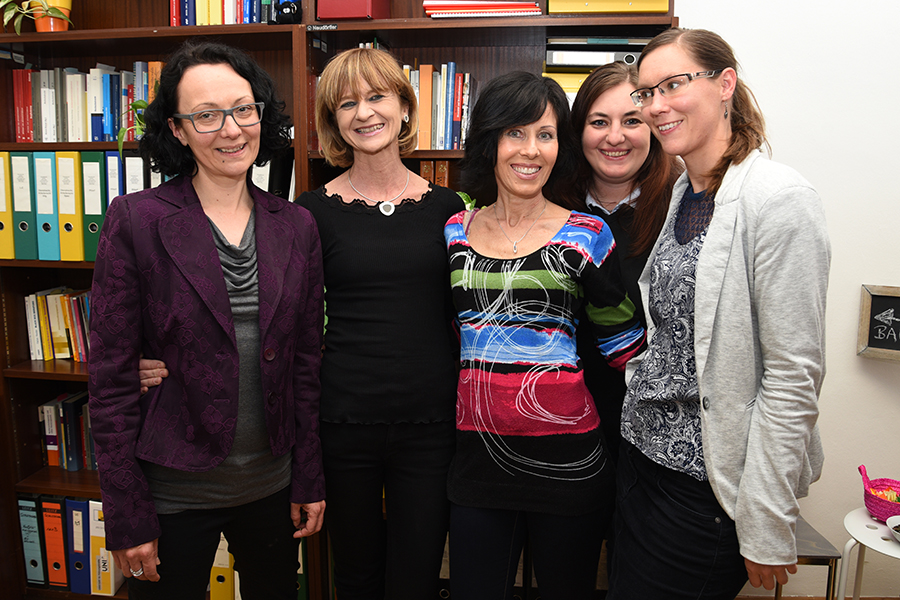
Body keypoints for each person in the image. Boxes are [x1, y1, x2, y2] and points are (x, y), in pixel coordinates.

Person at [137, 47, 462, 600]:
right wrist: (141, 359)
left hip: (432, 424)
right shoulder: (310, 213)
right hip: (341, 423)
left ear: (405, 107)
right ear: (331, 121)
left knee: (416, 577)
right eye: (346, 104)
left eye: (378, 97)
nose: (364, 113)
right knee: (353, 575)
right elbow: (290, 330)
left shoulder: (451, 209)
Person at [88, 39, 325, 600]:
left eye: (244, 109)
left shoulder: (296, 226)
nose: (231, 129)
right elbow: (111, 380)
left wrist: (309, 476)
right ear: (177, 129)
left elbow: (307, 365)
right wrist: (128, 515)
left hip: (272, 484)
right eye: (206, 115)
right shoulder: (138, 220)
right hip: (173, 490)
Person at [606, 28, 831, 600]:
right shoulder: (684, 190)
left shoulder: (778, 200)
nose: (656, 106)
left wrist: (765, 521)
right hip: (642, 466)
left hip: (704, 495)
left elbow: (792, 376)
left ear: (725, 83)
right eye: (646, 91)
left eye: (673, 85)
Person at [444, 70, 647, 600]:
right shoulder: (455, 230)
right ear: (490, 140)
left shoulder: (586, 233)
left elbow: (627, 349)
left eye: (546, 134)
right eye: (515, 132)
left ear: (562, 146)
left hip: (570, 464)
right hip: (477, 460)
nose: (530, 150)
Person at [566, 61, 682, 464]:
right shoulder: (549, 210)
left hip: (655, 437)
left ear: (653, 125)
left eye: (631, 120)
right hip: (562, 427)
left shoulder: (685, 212)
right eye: (599, 121)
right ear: (578, 131)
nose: (615, 137)